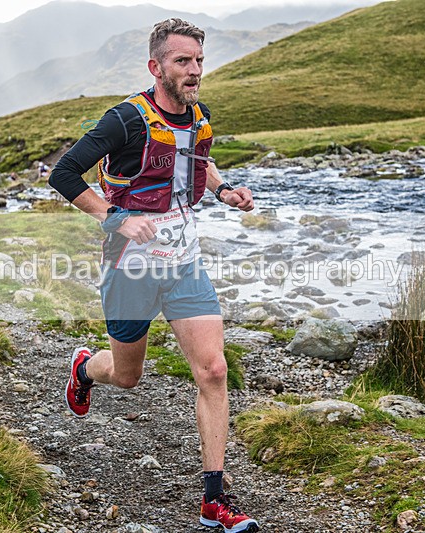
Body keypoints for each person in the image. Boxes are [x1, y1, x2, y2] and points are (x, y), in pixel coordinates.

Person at [49, 18, 259, 533]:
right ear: (156, 66)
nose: (194, 72)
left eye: (199, 62)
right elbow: (64, 174)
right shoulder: (125, 120)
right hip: (130, 268)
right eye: (183, 62)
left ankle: (214, 500)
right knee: (127, 376)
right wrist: (116, 218)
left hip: (185, 265)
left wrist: (224, 189)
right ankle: (84, 368)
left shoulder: (199, 116)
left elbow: (198, 160)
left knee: (213, 370)